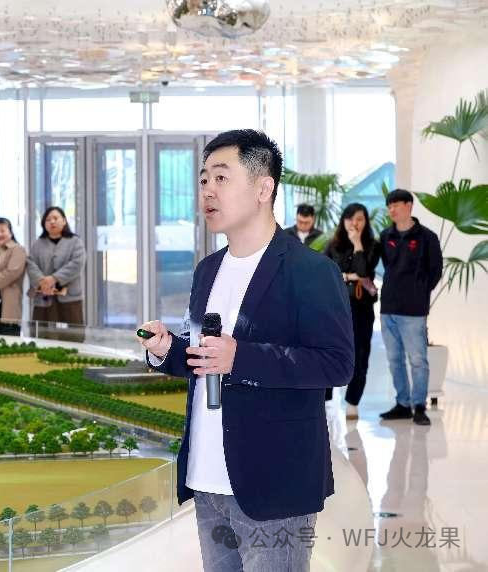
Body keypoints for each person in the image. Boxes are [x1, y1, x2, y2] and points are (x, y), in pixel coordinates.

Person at [137, 130, 353, 572]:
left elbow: (336, 363)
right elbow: (205, 356)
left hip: (274, 483)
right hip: (206, 477)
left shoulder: (310, 270)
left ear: (263, 188)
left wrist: (242, 358)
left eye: (221, 177)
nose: (207, 190)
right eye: (203, 179)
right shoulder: (208, 271)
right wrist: (167, 350)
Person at [378, 189, 442, 426]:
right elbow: (388, 266)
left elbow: (435, 271)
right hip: (388, 308)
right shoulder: (386, 235)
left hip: (414, 311)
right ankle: (403, 404)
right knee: (394, 359)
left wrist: (419, 292)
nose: (391, 210)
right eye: (389, 206)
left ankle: (419, 406)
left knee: (417, 360)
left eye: (396, 205)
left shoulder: (427, 237)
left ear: (409, 206)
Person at [324, 203, 381, 420]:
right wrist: (351, 276)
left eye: (359, 219)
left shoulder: (373, 245)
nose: (354, 223)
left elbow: (364, 271)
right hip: (335, 308)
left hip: (361, 308)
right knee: (329, 351)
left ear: (365, 221)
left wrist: (357, 243)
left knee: (360, 353)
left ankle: (352, 402)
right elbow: (326, 273)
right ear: (343, 221)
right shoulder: (333, 245)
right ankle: (325, 398)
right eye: (350, 219)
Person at [27, 206, 86, 342]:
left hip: (70, 297)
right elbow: (31, 264)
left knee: (73, 335)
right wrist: (42, 281)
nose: (52, 222)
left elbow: (77, 264)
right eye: (48, 220)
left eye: (55, 218)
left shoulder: (75, 241)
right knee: (42, 335)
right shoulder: (38, 244)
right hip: (44, 296)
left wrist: (54, 278)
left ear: (64, 221)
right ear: (44, 224)